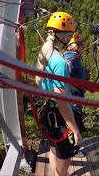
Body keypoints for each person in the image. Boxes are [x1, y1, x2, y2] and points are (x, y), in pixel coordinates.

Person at [35, 11, 82, 176]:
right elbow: (62, 102)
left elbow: (39, 83)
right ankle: (60, 174)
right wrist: (74, 129)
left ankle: (56, 173)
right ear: (64, 36)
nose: (70, 38)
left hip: (48, 113)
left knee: (54, 147)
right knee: (65, 155)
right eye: (69, 34)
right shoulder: (59, 62)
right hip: (61, 117)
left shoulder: (44, 53)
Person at [64, 32, 87, 132]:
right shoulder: (71, 58)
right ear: (73, 45)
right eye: (80, 44)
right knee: (75, 114)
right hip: (74, 91)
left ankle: (74, 131)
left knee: (76, 112)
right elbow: (67, 72)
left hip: (76, 90)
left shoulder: (73, 57)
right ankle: (74, 134)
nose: (82, 46)